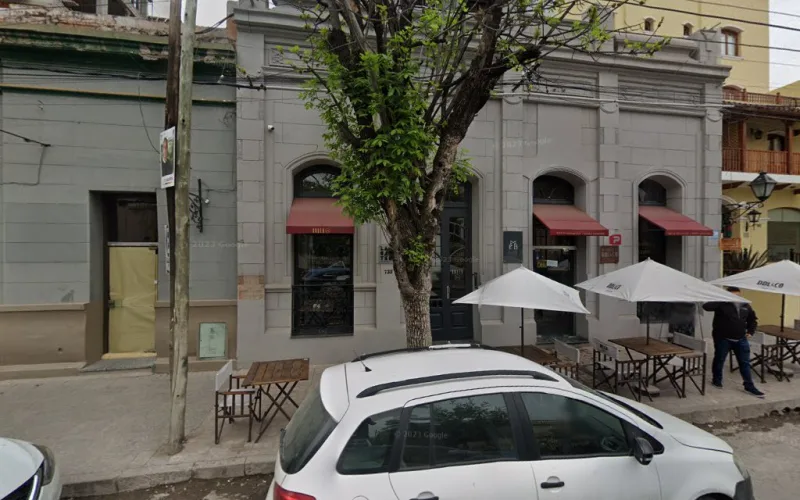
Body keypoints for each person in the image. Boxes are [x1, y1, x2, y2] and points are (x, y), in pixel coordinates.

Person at [703, 287, 764, 398]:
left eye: (737, 295)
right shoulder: (722, 304)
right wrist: (722, 298)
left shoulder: (746, 305)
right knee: (719, 359)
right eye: (732, 295)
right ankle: (716, 380)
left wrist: (750, 331)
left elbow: (753, 320)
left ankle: (749, 386)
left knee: (745, 363)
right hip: (723, 338)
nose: (735, 298)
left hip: (741, 339)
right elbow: (706, 307)